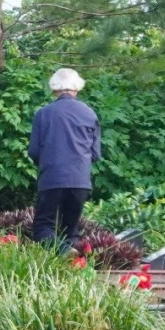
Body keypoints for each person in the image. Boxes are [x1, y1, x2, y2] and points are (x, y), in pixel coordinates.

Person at [26, 67, 101, 248]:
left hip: (52, 178)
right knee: (71, 231)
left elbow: (34, 151)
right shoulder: (90, 113)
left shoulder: (43, 114)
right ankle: (71, 263)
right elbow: (96, 154)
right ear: (77, 88)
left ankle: (63, 252)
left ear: (54, 89)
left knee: (43, 227)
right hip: (80, 180)